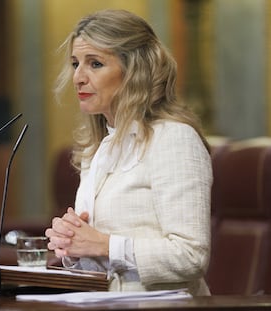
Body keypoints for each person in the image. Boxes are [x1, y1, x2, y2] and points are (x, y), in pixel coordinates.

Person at [45, 9, 213, 296]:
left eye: (95, 63)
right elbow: (107, 262)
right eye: (75, 64)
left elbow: (191, 255)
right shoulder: (97, 148)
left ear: (135, 70)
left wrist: (102, 244)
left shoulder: (174, 139)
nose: (78, 78)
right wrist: (73, 245)